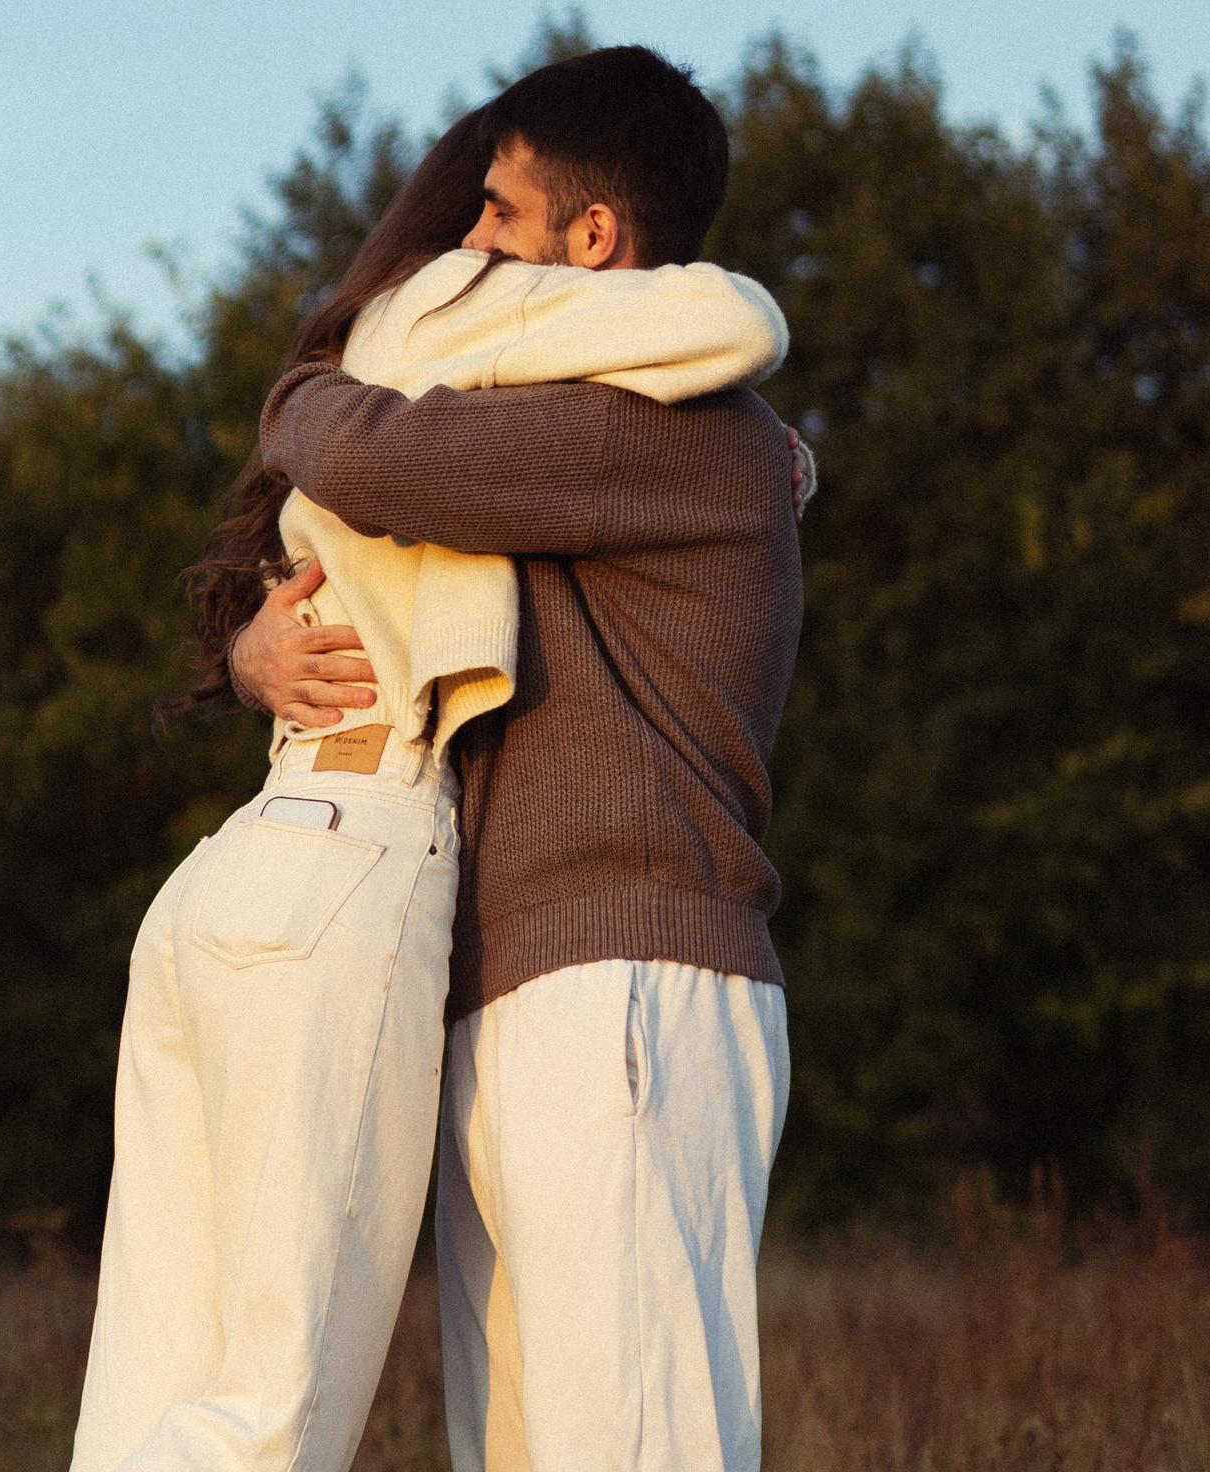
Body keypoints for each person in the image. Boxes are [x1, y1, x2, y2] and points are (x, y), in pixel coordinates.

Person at [69, 94, 793, 1472]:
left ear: (593, 241)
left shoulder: (668, 436)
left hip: (626, 981)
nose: (466, 248)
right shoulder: (576, 432)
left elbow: (365, 457)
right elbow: (360, 557)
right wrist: (246, 656)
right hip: (506, 982)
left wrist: (305, 383)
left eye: (499, 218)